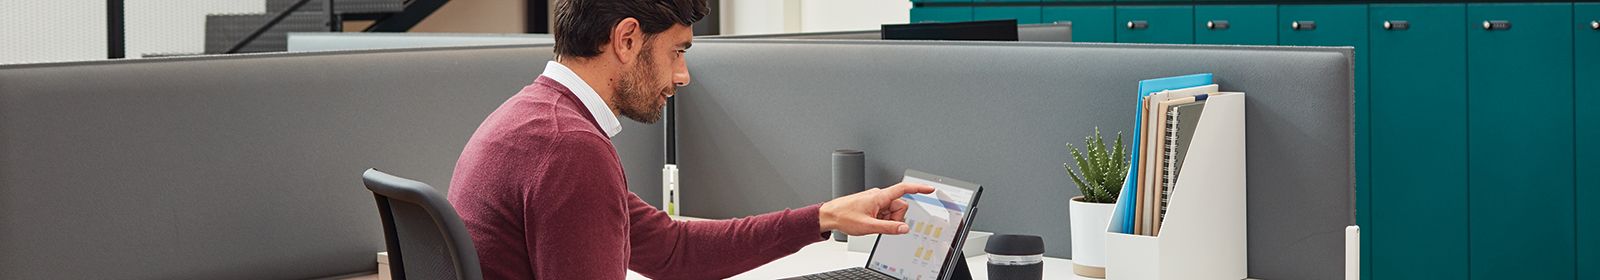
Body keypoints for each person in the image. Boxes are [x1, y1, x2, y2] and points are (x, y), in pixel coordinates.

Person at [447, 0, 934, 278]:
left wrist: (823, 217)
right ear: (627, 38)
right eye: (677, 51)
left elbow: (672, 250)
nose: (683, 76)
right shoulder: (568, 148)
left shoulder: (533, 118)